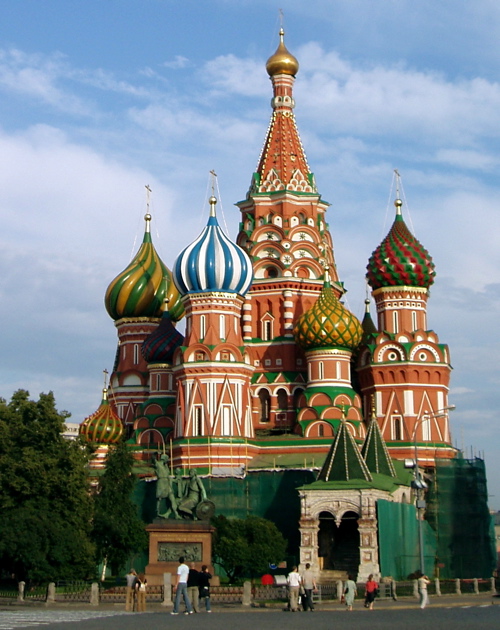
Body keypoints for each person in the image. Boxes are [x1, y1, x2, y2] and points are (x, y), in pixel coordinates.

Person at [155, 454, 180, 519]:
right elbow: (153, 460)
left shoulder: (166, 466)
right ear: (164, 459)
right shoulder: (157, 464)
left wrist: (174, 480)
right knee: (159, 499)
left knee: (172, 498)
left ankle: (176, 514)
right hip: (161, 483)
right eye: (167, 459)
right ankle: (157, 513)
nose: (167, 460)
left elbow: (168, 476)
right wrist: (155, 454)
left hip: (167, 483)